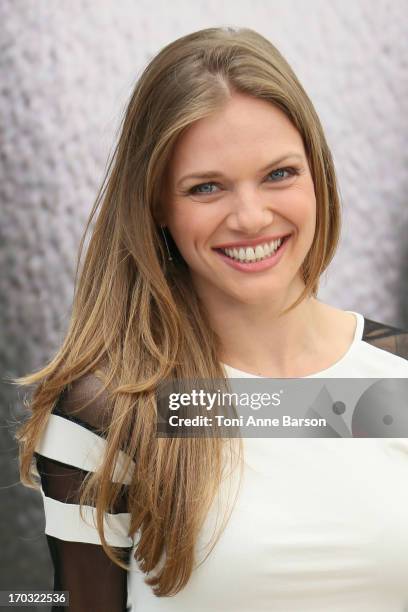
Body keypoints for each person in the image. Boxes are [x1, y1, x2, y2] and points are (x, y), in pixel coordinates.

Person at [12, 26, 408, 612]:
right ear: (157, 207)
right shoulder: (111, 412)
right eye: (206, 188)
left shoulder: (394, 377)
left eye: (279, 174)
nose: (251, 217)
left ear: (318, 174)